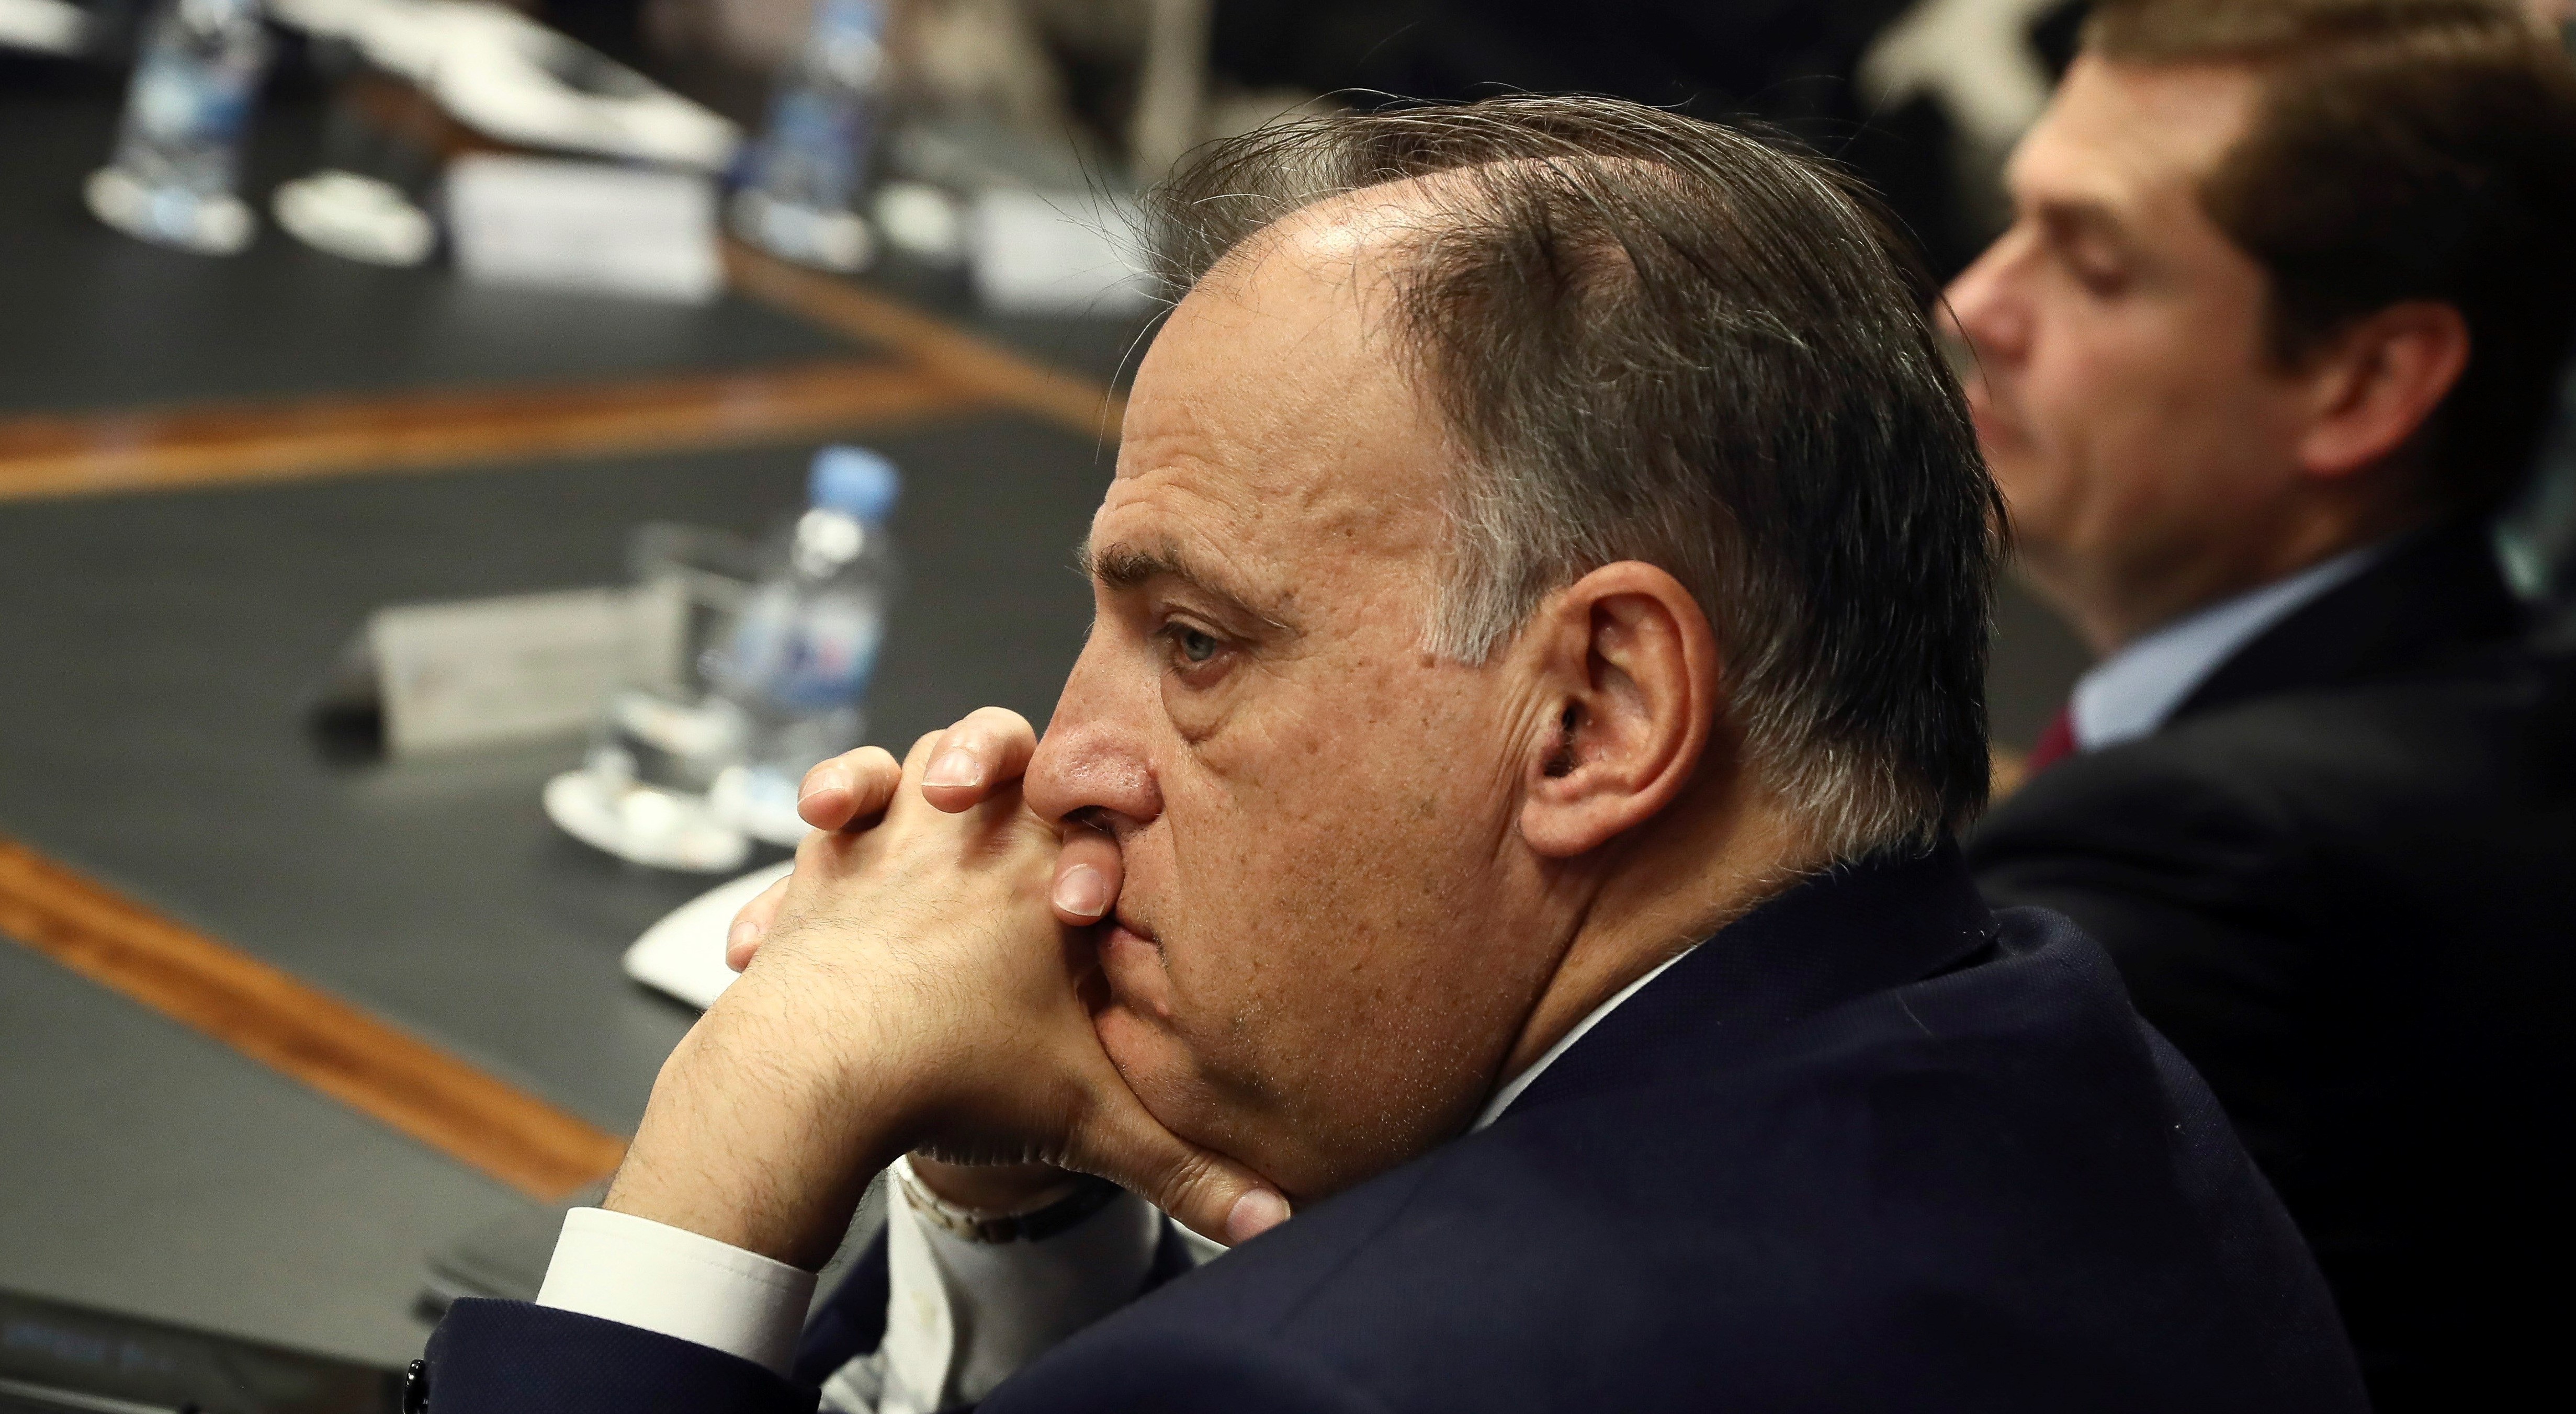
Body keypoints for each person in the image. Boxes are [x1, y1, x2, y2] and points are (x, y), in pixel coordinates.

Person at [418, 96, 2364, 1412]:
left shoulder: (1335, 1380)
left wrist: (747, 1114)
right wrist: (1023, 1216)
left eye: (1196, 642)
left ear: (1594, 715)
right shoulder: (2065, 1071)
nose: (1058, 761)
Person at [1946, 1, 2576, 1402]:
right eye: (2012, 221)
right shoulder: (2484, 723)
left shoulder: (2191, 863)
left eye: (2093, 266)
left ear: (2365, 381)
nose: (1974, 304)